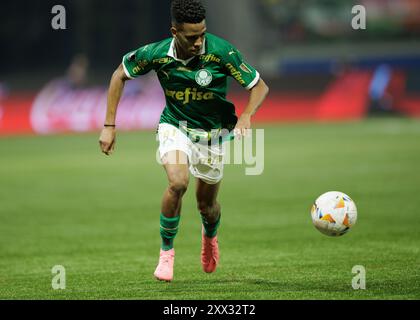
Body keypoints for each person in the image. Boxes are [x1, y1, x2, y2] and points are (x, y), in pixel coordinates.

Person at [99, 0, 269, 282]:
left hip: (213, 135)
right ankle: (167, 253)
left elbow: (259, 86)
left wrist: (247, 115)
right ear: (174, 32)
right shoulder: (156, 54)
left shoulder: (221, 51)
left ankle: (209, 238)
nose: (199, 41)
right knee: (178, 183)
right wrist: (108, 126)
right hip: (174, 126)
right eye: (192, 37)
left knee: (207, 205)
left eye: (202, 34)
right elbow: (119, 74)